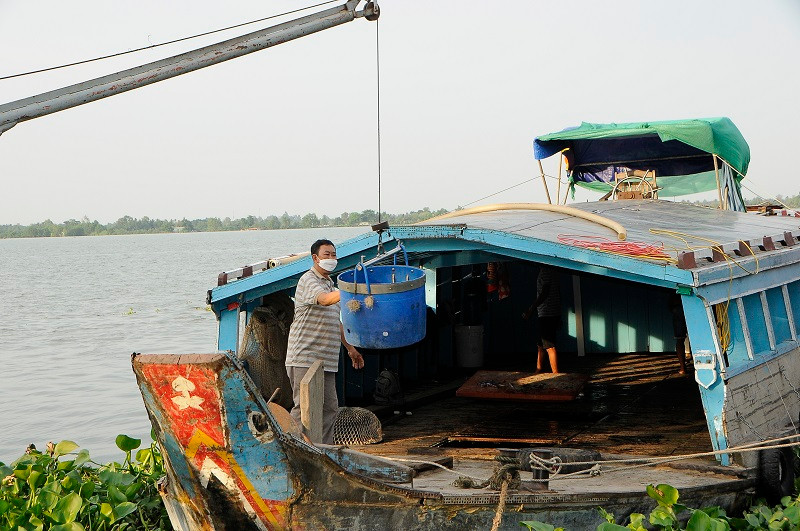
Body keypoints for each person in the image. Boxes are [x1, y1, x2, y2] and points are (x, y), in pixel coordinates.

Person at [285, 239, 364, 444]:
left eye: (334, 255)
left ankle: (324, 451)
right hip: (304, 357)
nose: (331, 259)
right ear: (315, 258)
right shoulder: (308, 280)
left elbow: (335, 322)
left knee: (329, 408)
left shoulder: (330, 284)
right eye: (327, 254)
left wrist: (350, 349)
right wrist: (353, 290)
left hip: (327, 361)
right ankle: (293, 447)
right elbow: (324, 300)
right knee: (304, 408)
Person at [523, 265, 562, 373]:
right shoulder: (553, 270)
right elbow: (557, 292)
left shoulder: (546, 271)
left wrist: (531, 308)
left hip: (547, 313)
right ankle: (538, 370)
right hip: (552, 313)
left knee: (550, 346)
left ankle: (556, 374)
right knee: (541, 344)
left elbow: (545, 292)